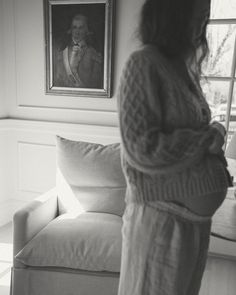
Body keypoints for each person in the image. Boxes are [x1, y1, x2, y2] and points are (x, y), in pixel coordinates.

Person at [117, 0, 233, 294]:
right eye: (196, 16)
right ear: (172, 14)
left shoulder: (180, 67)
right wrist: (206, 140)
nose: (201, 26)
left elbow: (190, 131)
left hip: (190, 225)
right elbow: (141, 147)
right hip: (159, 223)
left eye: (205, 18)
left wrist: (213, 133)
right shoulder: (142, 63)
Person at [53, 14, 103, 89]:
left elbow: (96, 84)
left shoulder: (94, 54)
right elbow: (58, 80)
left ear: (87, 30)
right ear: (70, 30)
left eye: (81, 28)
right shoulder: (61, 53)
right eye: (74, 27)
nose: (77, 32)